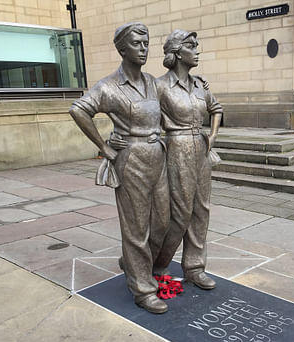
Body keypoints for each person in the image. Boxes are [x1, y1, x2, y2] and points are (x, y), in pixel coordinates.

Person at [69, 22, 170, 314]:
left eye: (146, 43)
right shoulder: (109, 86)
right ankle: (142, 288)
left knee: (162, 222)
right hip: (132, 160)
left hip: (157, 156)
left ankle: (132, 263)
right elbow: (79, 109)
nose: (143, 48)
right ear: (122, 48)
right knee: (136, 227)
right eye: (137, 43)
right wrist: (103, 146)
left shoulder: (152, 82)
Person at [152, 30, 223, 289]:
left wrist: (212, 136)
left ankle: (194, 267)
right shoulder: (159, 86)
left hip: (201, 150)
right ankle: (157, 263)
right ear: (178, 52)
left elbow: (216, 109)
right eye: (192, 46)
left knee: (201, 210)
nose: (197, 51)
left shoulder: (199, 85)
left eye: (197, 46)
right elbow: (144, 117)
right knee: (179, 214)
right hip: (176, 148)